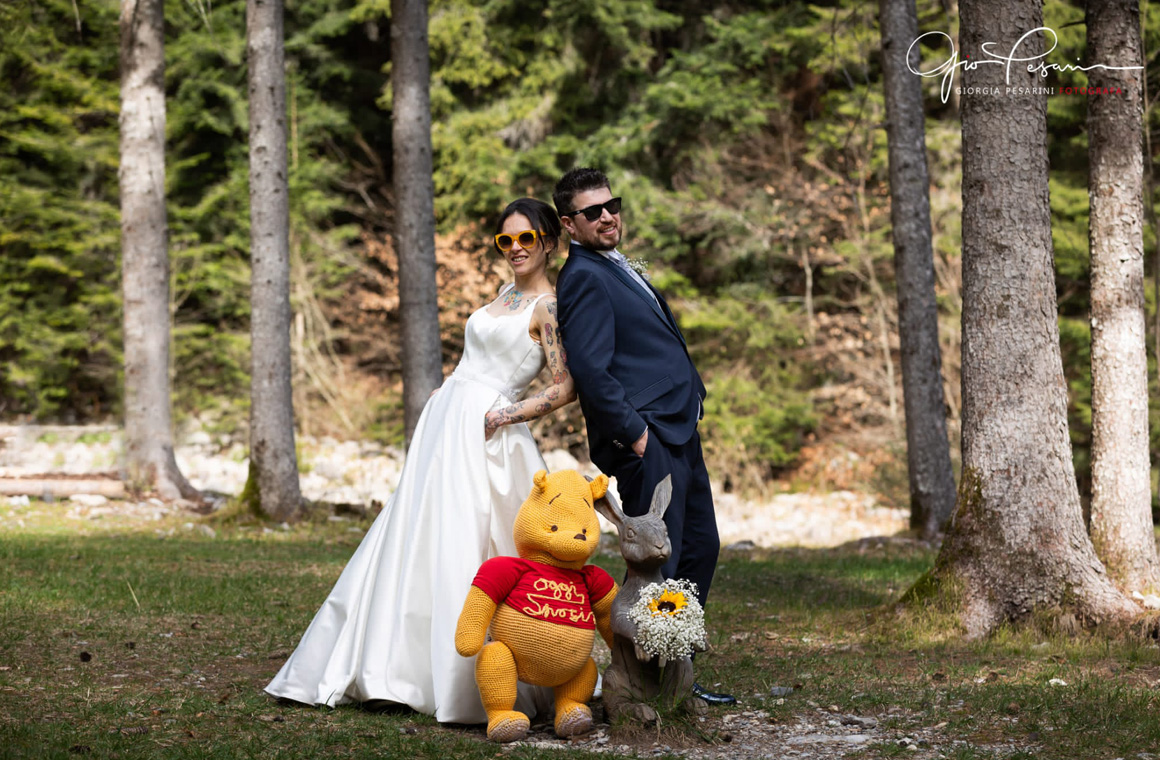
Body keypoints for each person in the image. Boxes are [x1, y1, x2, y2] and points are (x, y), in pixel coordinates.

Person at [265, 198, 575, 723]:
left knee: (473, 537)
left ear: (548, 241)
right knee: (416, 533)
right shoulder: (503, 293)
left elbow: (564, 387)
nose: (516, 249)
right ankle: (391, 669)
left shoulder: (547, 307)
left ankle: (472, 680)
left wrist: (503, 415)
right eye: (506, 241)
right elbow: (472, 358)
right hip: (446, 423)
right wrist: (445, 394)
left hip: (490, 433)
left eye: (527, 239)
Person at [552, 168, 734, 705]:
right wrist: (636, 437)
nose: (608, 216)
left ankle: (677, 669)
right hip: (649, 437)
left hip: (678, 425)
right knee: (663, 560)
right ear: (569, 224)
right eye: (592, 211)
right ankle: (652, 686)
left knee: (700, 546)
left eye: (612, 205)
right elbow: (590, 367)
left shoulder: (611, 264)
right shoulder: (582, 275)